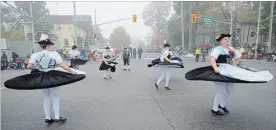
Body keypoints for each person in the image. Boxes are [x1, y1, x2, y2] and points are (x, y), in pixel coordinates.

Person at [4, 34, 86, 124]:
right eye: (51, 45)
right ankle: (57, 117)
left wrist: (39, 67)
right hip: (53, 76)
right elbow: (62, 65)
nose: (51, 46)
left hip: (42, 76)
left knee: (46, 97)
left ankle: (47, 117)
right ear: (47, 45)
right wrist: (73, 72)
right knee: (55, 96)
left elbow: (29, 66)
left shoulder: (35, 55)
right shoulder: (54, 54)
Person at [185, 34, 273, 116]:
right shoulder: (218, 49)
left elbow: (238, 56)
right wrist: (216, 68)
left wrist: (235, 63)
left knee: (230, 90)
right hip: (220, 69)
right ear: (221, 41)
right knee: (221, 91)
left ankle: (222, 105)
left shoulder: (231, 49)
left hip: (230, 70)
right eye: (225, 39)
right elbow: (212, 59)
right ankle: (214, 109)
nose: (227, 40)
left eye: (228, 39)